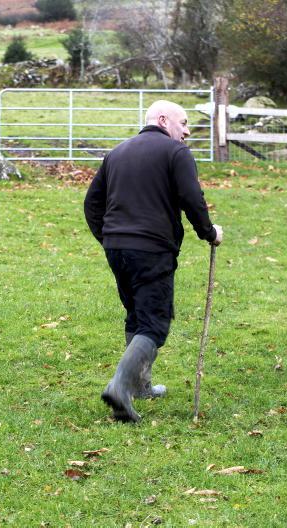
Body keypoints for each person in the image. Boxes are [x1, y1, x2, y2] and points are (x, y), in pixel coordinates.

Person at [83, 100, 223, 423]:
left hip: (117, 249)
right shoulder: (176, 154)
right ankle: (120, 387)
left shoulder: (117, 153)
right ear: (163, 120)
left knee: (136, 315)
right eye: (183, 123)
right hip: (152, 250)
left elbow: (92, 204)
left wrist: (109, 239)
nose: (187, 131)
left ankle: (141, 386)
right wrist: (209, 232)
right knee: (154, 324)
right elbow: (192, 198)